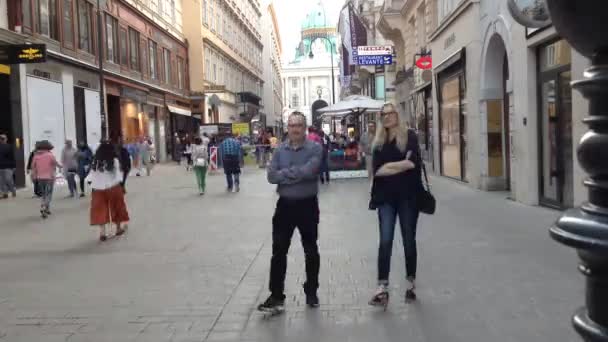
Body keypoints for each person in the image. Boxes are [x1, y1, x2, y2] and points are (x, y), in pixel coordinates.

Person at [257, 112, 323, 313]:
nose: (295, 129)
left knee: (310, 249)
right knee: (278, 251)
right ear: (288, 127)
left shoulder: (315, 148)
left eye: (299, 125)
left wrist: (284, 174)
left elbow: (310, 171)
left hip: (307, 205)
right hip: (284, 206)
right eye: (292, 125)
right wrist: (296, 173)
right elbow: (271, 176)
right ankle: (276, 295)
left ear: (305, 127)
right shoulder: (279, 150)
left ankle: (311, 290)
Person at [368, 102, 424, 306]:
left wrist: (388, 166)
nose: (387, 117)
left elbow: (411, 164)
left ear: (397, 115)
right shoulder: (378, 142)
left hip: (408, 197)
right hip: (385, 198)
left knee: (409, 239)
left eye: (390, 113)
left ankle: (410, 283)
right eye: (383, 115)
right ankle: (382, 286)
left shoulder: (409, 137)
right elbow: (377, 171)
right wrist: (397, 166)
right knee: (385, 240)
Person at [88, 141, 130, 241]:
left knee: (100, 210)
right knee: (117, 207)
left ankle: (102, 233)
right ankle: (118, 229)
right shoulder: (114, 160)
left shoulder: (95, 162)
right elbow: (119, 177)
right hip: (113, 187)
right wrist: (122, 186)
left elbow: (90, 178)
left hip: (98, 189)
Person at [30, 140, 60, 218]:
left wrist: (33, 176)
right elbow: (56, 163)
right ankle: (43, 206)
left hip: (39, 178)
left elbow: (33, 167)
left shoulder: (36, 156)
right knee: (49, 193)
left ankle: (47, 209)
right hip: (49, 178)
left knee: (44, 194)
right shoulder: (50, 155)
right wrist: (61, 166)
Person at [0, 134, 16, 199]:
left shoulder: (9, 146)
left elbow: (12, 157)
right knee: (1, 181)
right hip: (0, 167)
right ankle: (5, 193)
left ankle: (13, 190)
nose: (2, 139)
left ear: (6, 139)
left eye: (3, 138)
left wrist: (14, 166)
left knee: (8, 180)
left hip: (8, 166)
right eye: (1, 138)